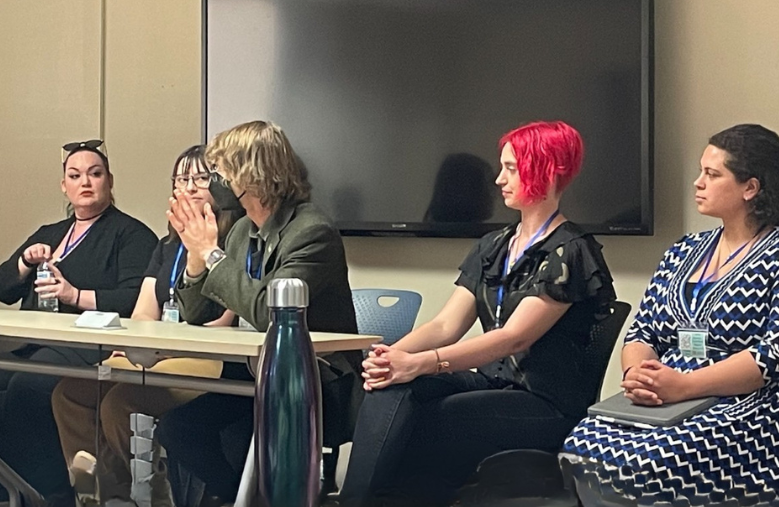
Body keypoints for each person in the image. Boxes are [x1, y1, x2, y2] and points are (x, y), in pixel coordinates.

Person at [339, 121, 616, 506]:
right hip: (489, 383)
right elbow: (445, 325)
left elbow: (513, 338)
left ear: (548, 170)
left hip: (541, 401)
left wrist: (420, 363)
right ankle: (361, 500)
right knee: (392, 388)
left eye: (512, 169)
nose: (500, 179)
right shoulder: (495, 245)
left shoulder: (570, 252)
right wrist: (391, 358)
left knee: (435, 416)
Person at [562, 123, 779, 507]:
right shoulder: (685, 250)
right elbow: (642, 331)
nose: (698, 182)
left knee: (649, 462)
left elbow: (770, 356)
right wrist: (637, 376)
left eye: (712, 175)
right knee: (582, 445)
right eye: (700, 171)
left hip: (743, 405)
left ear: (751, 187)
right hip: (663, 396)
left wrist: (685, 386)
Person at [155, 121, 363, 507]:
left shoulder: (312, 232)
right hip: (252, 374)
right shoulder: (240, 232)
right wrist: (196, 259)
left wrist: (212, 255)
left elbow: (274, 315)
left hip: (311, 385)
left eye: (220, 172)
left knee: (233, 437)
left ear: (251, 175)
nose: (213, 182)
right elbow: (197, 312)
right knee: (178, 428)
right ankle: (243, 498)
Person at [0, 140, 157, 507]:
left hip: (87, 345)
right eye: (75, 176)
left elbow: (135, 298)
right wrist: (25, 263)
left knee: (26, 388)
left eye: (95, 174)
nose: (85, 183)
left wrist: (74, 295)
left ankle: (52, 493)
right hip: (30, 341)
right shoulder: (50, 233)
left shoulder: (131, 235)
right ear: (64, 186)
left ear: (109, 181)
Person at [51, 145, 238, 507]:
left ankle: (146, 494)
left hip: (205, 358)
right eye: (182, 179)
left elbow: (220, 322)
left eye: (201, 178)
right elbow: (143, 313)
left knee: (119, 403)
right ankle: (101, 494)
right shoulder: (169, 245)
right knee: (70, 392)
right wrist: (139, 343)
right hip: (155, 353)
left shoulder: (233, 239)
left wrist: (163, 347)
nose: (191, 187)